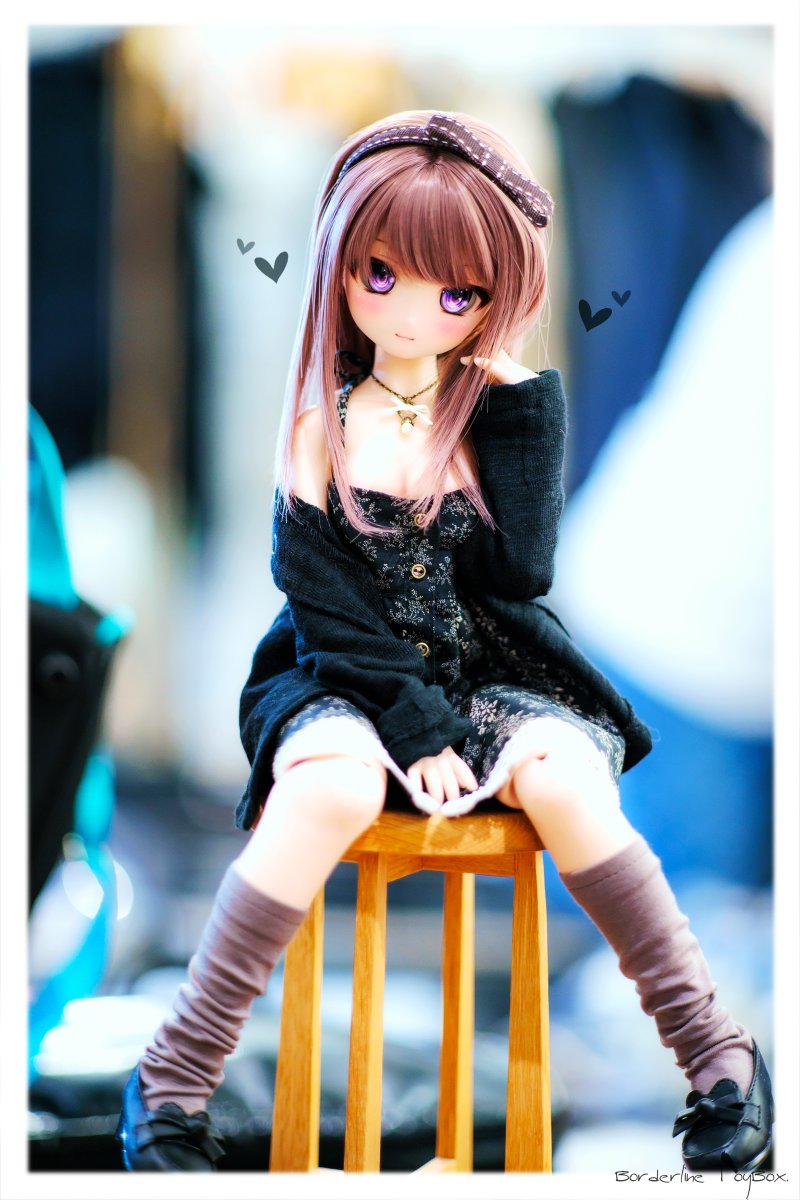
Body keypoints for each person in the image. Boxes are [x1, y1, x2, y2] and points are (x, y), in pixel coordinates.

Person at [116, 110, 773, 1173]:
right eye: (380, 276)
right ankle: (174, 1076)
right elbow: (321, 601)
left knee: (568, 781)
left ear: (494, 294)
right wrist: (414, 728)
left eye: (455, 292)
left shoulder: (495, 414)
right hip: (337, 672)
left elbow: (521, 577)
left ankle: (717, 1056)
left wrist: (523, 413)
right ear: (339, 266)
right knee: (326, 791)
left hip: (486, 666)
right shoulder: (320, 425)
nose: (413, 312)